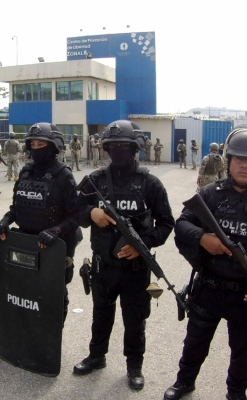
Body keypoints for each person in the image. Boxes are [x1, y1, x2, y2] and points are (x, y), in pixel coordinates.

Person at [163, 125, 247, 400]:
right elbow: (182, 224)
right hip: (209, 288)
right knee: (195, 343)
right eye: (238, 159)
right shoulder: (210, 194)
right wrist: (203, 239)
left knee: (243, 353)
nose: (244, 166)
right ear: (229, 161)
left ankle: (236, 393)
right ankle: (184, 382)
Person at [73, 120, 175, 391]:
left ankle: (134, 366)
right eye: (113, 146)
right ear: (106, 148)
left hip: (135, 267)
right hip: (103, 264)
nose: (118, 150)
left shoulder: (150, 183)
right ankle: (97, 357)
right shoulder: (95, 181)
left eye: (124, 146)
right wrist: (91, 214)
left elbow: (166, 223)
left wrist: (142, 243)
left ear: (135, 148)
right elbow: (74, 209)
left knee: (135, 318)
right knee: (100, 314)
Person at [0, 123, 80, 323]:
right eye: (32, 143)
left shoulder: (63, 176)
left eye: (41, 143)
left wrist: (56, 230)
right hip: (26, 243)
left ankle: (52, 336)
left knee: (54, 294)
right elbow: (17, 207)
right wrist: (5, 221)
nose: (35, 147)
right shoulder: (26, 172)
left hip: (54, 246)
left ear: (53, 146)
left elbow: (77, 216)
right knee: (25, 291)